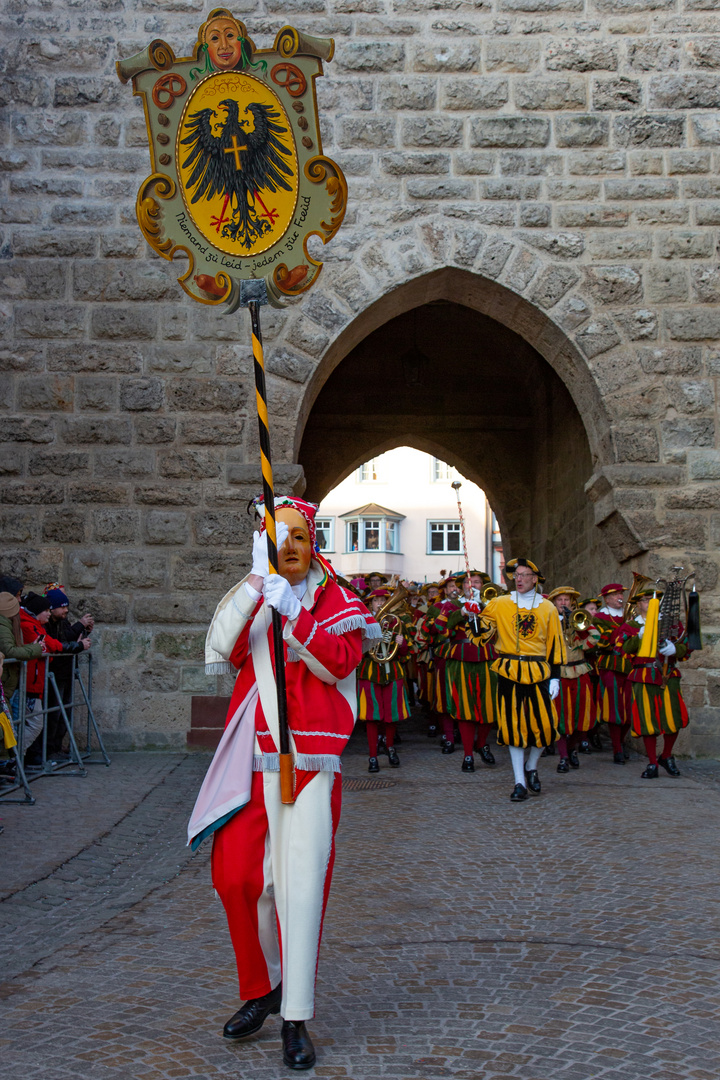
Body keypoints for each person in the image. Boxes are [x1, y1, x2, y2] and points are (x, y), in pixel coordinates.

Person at [187, 495, 379, 1071]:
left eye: (298, 535)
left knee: (298, 886)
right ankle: (264, 986)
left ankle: (294, 1014)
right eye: (277, 536)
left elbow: (339, 663)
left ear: (312, 539)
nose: (288, 546)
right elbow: (220, 645)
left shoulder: (339, 599)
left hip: (310, 759)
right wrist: (255, 584)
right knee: (236, 878)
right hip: (253, 754)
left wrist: (295, 614)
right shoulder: (258, 587)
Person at [480, 558, 566, 802]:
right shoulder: (499, 603)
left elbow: (555, 645)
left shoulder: (547, 607)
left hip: (539, 671)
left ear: (535, 578)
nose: (518, 578)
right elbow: (483, 633)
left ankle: (532, 766)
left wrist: (556, 677)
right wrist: (475, 623)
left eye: (524, 574)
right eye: (516, 574)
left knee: (546, 725)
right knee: (512, 725)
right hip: (508, 669)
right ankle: (519, 782)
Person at [619, 589, 693, 779]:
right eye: (646, 601)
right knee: (647, 720)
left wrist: (675, 649)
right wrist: (639, 637)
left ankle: (666, 755)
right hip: (643, 675)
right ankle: (652, 761)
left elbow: (687, 648)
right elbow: (623, 651)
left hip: (668, 675)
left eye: (656, 600)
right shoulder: (631, 626)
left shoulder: (671, 624)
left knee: (673, 718)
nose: (652, 603)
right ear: (638, 604)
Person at [19, 593, 90, 769]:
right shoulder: (30, 626)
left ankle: (21, 756)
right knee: (36, 722)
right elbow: (53, 644)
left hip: (40, 680)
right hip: (33, 682)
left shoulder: (39, 626)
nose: (49, 613)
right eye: (46, 610)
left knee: (46, 717)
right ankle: (16, 756)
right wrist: (78, 644)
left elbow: (53, 643)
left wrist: (81, 636)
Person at [437, 571, 497, 772]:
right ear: (461, 586)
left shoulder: (492, 604)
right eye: (468, 583)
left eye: (477, 582)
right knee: (464, 708)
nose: (473, 586)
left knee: (488, 706)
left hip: (487, 657)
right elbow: (439, 628)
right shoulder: (451, 605)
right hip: (461, 657)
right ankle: (468, 754)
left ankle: (481, 743)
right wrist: (461, 613)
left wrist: (485, 611)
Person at [357, 588, 413, 772]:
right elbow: (359, 650)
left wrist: (400, 643)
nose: (380, 603)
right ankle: (372, 756)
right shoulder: (363, 622)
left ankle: (390, 748)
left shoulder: (395, 621)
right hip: (370, 671)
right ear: (370, 604)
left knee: (391, 716)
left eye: (383, 600)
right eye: (376, 601)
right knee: (372, 717)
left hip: (392, 671)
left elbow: (405, 653)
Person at [547, 587, 601, 774]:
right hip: (558, 674)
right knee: (560, 717)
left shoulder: (580, 619)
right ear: (554, 603)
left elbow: (594, 640)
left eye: (566, 600)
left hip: (580, 671)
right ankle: (563, 757)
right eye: (560, 600)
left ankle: (571, 748)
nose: (563, 603)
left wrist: (579, 624)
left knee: (583, 716)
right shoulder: (549, 621)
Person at [43, 585, 94, 757]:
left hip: (65, 671)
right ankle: (49, 749)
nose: (66, 609)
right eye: (63, 606)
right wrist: (80, 627)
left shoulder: (61, 621)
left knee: (64, 711)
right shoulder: (48, 623)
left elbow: (68, 638)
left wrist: (83, 632)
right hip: (54, 673)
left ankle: (56, 746)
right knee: (53, 713)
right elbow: (59, 645)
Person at [0, 591, 43, 774]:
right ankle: (7, 762)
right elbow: (9, 650)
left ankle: (8, 761)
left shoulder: (7, 623)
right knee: (9, 725)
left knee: (10, 724)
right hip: (8, 683)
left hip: (11, 683)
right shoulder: (4, 624)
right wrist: (36, 648)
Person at [421, 576, 460, 753]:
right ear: (445, 589)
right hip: (443, 655)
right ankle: (448, 735)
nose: (455, 589)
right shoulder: (435, 607)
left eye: (458, 586)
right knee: (444, 696)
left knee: (462, 695)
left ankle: (460, 731)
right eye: (451, 586)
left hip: (463, 656)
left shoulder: (469, 605)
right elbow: (428, 630)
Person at [594, 583, 633, 764]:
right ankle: (616, 747)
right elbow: (601, 641)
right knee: (614, 706)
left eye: (620, 594)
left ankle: (622, 741)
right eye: (616, 595)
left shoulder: (630, 616)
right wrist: (624, 631)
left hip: (630, 665)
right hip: (610, 664)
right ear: (607, 598)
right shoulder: (600, 617)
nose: (620, 597)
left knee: (629, 707)